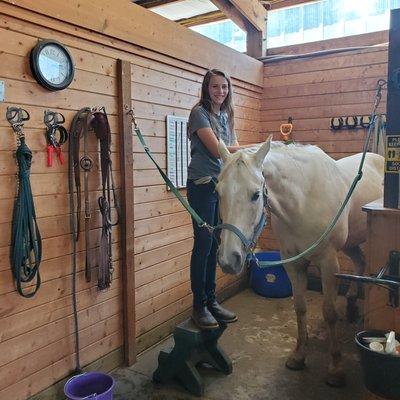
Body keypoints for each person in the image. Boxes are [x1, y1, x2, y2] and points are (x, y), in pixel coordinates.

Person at [187, 69, 253, 330]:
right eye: (215, 87)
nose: (220, 91)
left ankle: (211, 301)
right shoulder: (199, 114)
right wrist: (255, 146)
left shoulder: (225, 116)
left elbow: (232, 151)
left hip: (222, 186)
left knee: (215, 243)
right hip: (203, 184)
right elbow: (218, 150)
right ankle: (199, 306)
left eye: (224, 87)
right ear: (207, 88)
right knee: (203, 244)